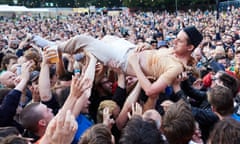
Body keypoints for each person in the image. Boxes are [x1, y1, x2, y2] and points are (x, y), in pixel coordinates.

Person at [56, 26, 203, 97]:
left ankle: (53, 47)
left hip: (125, 61)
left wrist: (134, 64)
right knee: (107, 38)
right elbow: (157, 59)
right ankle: (91, 56)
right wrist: (148, 47)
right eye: (176, 37)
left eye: (180, 40)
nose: (174, 41)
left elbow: (151, 91)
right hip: (131, 50)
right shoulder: (174, 51)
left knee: (84, 40)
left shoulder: (176, 68)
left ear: (190, 47)